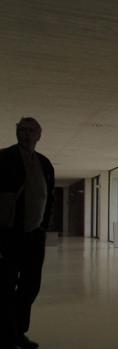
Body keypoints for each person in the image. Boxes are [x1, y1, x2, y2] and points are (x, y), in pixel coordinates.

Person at [0, 117, 55, 349]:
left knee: (31, 285)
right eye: (21, 129)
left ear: (39, 135)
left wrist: (43, 227)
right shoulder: (3, 158)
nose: (25, 134)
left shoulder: (44, 163)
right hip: (8, 233)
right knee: (5, 285)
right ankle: (8, 335)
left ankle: (18, 331)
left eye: (30, 130)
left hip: (34, 234)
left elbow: (49, 196)